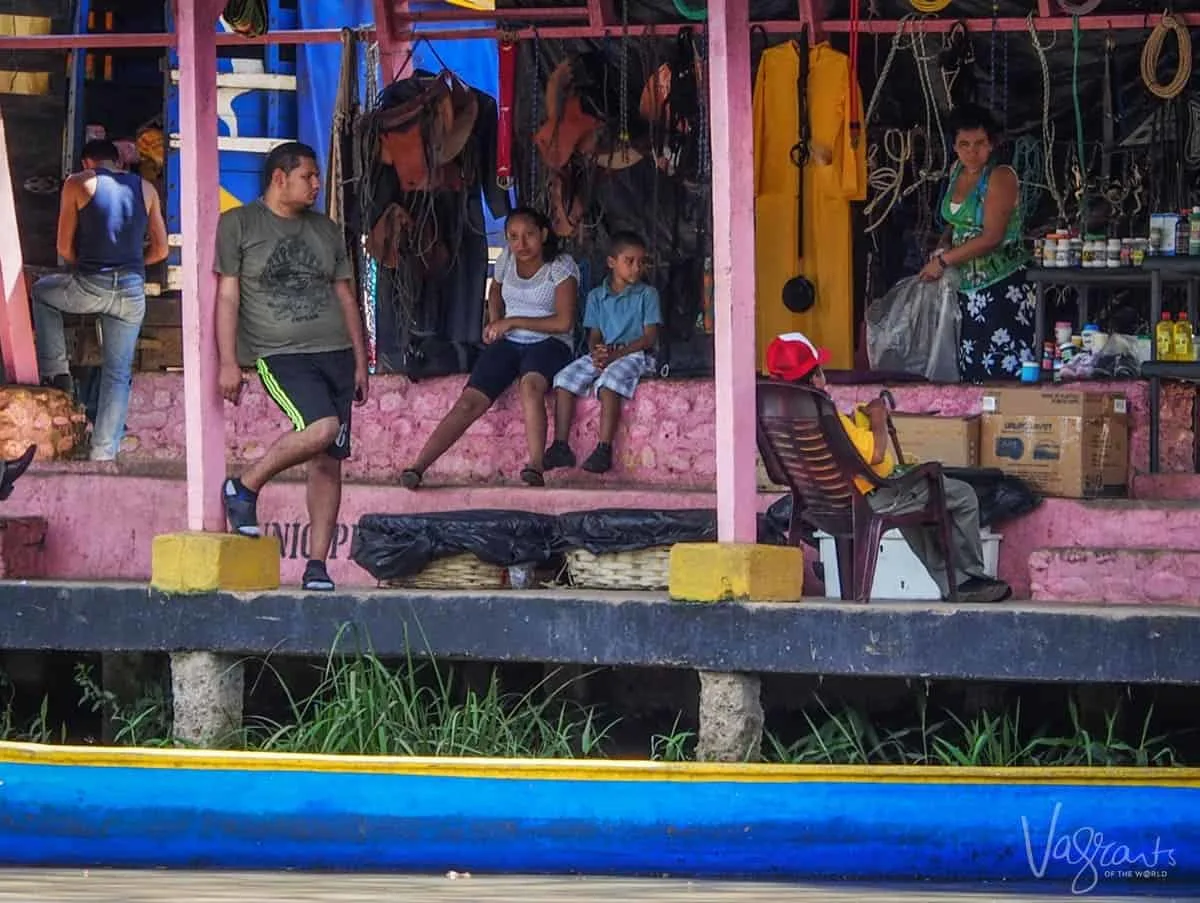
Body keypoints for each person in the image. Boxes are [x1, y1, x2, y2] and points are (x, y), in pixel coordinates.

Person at [215, 142, 369, 592]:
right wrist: (228, 361)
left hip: (336, 353)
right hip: (280, 354)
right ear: (279, 178)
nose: (317, 185)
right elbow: (228, 295)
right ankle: (243, 487)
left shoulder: (326, 230)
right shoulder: (239, 224)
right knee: (321, 428)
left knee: (328, 462)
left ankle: (317, 567)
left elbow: (345, 297)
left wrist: (361, 361)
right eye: (309, 176)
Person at [766, 332, 1012, 604]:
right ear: (814, 378)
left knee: (917, 499)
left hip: (819, 502)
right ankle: (971, 578)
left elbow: (844, 448)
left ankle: (957, 582)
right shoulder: (824, 410)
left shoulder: (784, 413)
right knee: (962, 495)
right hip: (869, 498)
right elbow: (876, 453)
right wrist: (879, 419)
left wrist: (860, 422)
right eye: (820, 371)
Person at [401, 207, 577, 489]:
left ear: (543, 234)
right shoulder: (507, 259)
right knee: (469, 401)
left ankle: (535, 466)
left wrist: (512, 321)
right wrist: (495, 321)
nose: (522, 244)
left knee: (530, 386)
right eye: (514, 237)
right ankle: (418, 467)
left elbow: (564, 322)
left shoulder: (561, 265)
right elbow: (495, 289)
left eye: (529, 235)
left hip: (551, 342)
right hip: (510, 342)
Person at [31, 138, 169, 461]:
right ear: (118, 163)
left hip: (92, 285)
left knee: (42, 293)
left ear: (85, 163)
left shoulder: (78, 183)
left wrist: (90, 264)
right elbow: (162, 250)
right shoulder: (146, 188)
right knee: (117, 374)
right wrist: (133, 262)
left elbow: (64, 248)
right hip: (133, 293)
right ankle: (103, 454)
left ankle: (57, 371)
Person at [919, 104, 1034, 383]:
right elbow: (956, 220)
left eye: (980, 144)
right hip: (968, 290)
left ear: (991, 144)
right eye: (964, 144)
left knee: (1002, 368)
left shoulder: (1001, 176)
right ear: (955, 147)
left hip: (1001, 287)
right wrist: (945, 243)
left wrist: (944, 261)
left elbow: (991, 237)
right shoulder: (958, 170)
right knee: (971, 367)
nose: (972, 152)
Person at [543, 231, 661, 474]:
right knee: (564, 379)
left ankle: (603, 449)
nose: (637, 267)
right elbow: (594, 333)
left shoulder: (648, 295)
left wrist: (616, 355)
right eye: (629, 261)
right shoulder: (597, 295)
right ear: (611, 262)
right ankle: (560, 445)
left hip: (636, 354)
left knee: (609, 383)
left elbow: (649, 337)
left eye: (641, 262)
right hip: (607, 353)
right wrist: (596, 351)